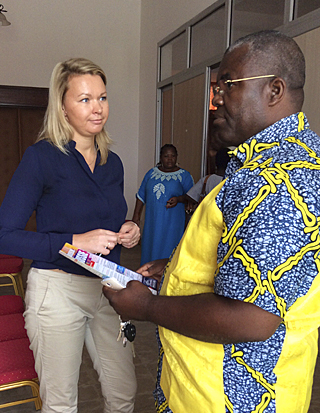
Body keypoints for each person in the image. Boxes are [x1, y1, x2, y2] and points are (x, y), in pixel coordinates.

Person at [103, 30, 320, 413]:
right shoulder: (261, 167)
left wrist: (147, 307)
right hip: (201, 387)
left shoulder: (279, 180)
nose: (215, 100)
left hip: (234, 399)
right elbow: (249, 268)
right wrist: (174, 272)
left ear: (274, 90)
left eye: (227, 86)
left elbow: (253, 319)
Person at [0, 58, 140, 413]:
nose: (97, 108)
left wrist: (127, 231)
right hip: (57, 290)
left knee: (123, 393)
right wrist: (73, 241)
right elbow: (5, 235)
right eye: (84, 99)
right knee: (61, 404)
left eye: (102, 98)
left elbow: (105, 223)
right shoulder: (41, 158)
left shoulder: (114, 162)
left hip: (107, 290)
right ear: (62, 107)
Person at [132, 144, 193, 265]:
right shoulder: (151, 174)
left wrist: (179, 199)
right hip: (152, 223)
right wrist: (136, 216)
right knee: (151, 247)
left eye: (173, 156)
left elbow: (192, 197)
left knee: (169, 249)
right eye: (166, 156)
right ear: (160, 157)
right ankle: (148, 278)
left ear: (177, 157)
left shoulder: (184, 176)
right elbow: (141, 196)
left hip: (173, 224)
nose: (170, 159)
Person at [185, 147, 230, 214]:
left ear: (216, 162)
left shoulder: (208, 179)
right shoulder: (232, 182)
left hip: (207, 217)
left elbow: (190, 196)